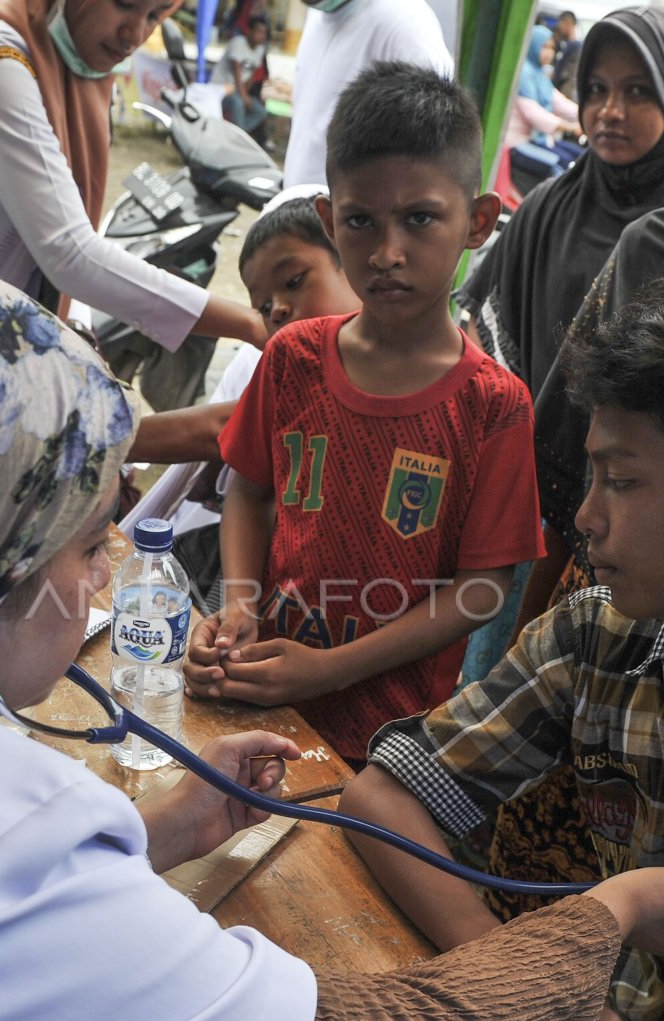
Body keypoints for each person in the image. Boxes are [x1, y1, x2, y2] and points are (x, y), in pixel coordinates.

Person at [0, 245, 664, 1021]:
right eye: (89, 543)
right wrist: (612, 919)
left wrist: (141, 833)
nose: (105, 579)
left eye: (620, 480)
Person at [339, 288, 664, 1021]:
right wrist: (524, 985)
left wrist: (617, 915)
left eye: (621, 481)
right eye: (592, 475)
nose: (586, 515)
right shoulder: (597, 635)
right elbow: (380, 798)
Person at [184, 63, 545, 767]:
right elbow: (249, 493)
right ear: (329, 220)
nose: (387, 253)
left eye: (419, 218)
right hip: (265, 689)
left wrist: (334, 667)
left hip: (387, 742)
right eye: (360, 221)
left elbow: (480, 591)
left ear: (476, 222)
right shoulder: (291, 360)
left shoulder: (495, 407)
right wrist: (235, 608)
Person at [0, 0, 266, 359]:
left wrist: (75, 324)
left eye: (156, 14)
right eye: (124, 5)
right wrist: (249, 324)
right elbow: (68, 251)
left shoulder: (76, 69)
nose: (136, 33)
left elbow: (60, 236)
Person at [124, 184, 358, 554]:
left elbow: (216, 427)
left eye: (294, 282)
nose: (277, 310)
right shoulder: (291, 372)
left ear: (356, 259)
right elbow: (244, 493)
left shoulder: (401, 370)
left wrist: (97, 437)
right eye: (263, 307)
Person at [459, 6, 664, 401]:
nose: (610, 111)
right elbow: (478, 342)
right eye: (597, 89)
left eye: (637, 91)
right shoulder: (546, 209)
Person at [282, 0, 452, 189]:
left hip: (346, 213)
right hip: (305, 206)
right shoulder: (318, 14)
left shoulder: (403, 22)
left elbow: (434, 141)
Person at [505, 24, 582, 175]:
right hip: (518, 143)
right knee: (562, 170)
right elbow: (534, 114)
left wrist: (586, 113)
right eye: (544, 47)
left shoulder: (540, 74)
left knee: (580, 158)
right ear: (532, 45)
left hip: (539, 139)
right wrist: (569, 127)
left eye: (552, 48)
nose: (549, 53)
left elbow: (558, 101)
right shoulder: (523, 74)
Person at [211, 13, 268, 139]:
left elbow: (251, 75)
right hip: (221, 89)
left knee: (261, 112)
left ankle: (236, 135)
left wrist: (245, 95)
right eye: (259, 31)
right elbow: (236, 72)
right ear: (249, 31)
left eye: (264, 32)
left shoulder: (260, 49)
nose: (262, 36)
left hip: (237, 91)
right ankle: (238, 137)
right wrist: (244, 97)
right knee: (238, 103)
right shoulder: (238, 43)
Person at [553, 9, 582, 99]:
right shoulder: (563, 43)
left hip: (563, 93)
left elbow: (571, 76)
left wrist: (564, 96)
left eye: (561, 23)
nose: (559, 27)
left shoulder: (576, 47)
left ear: (568, 23)